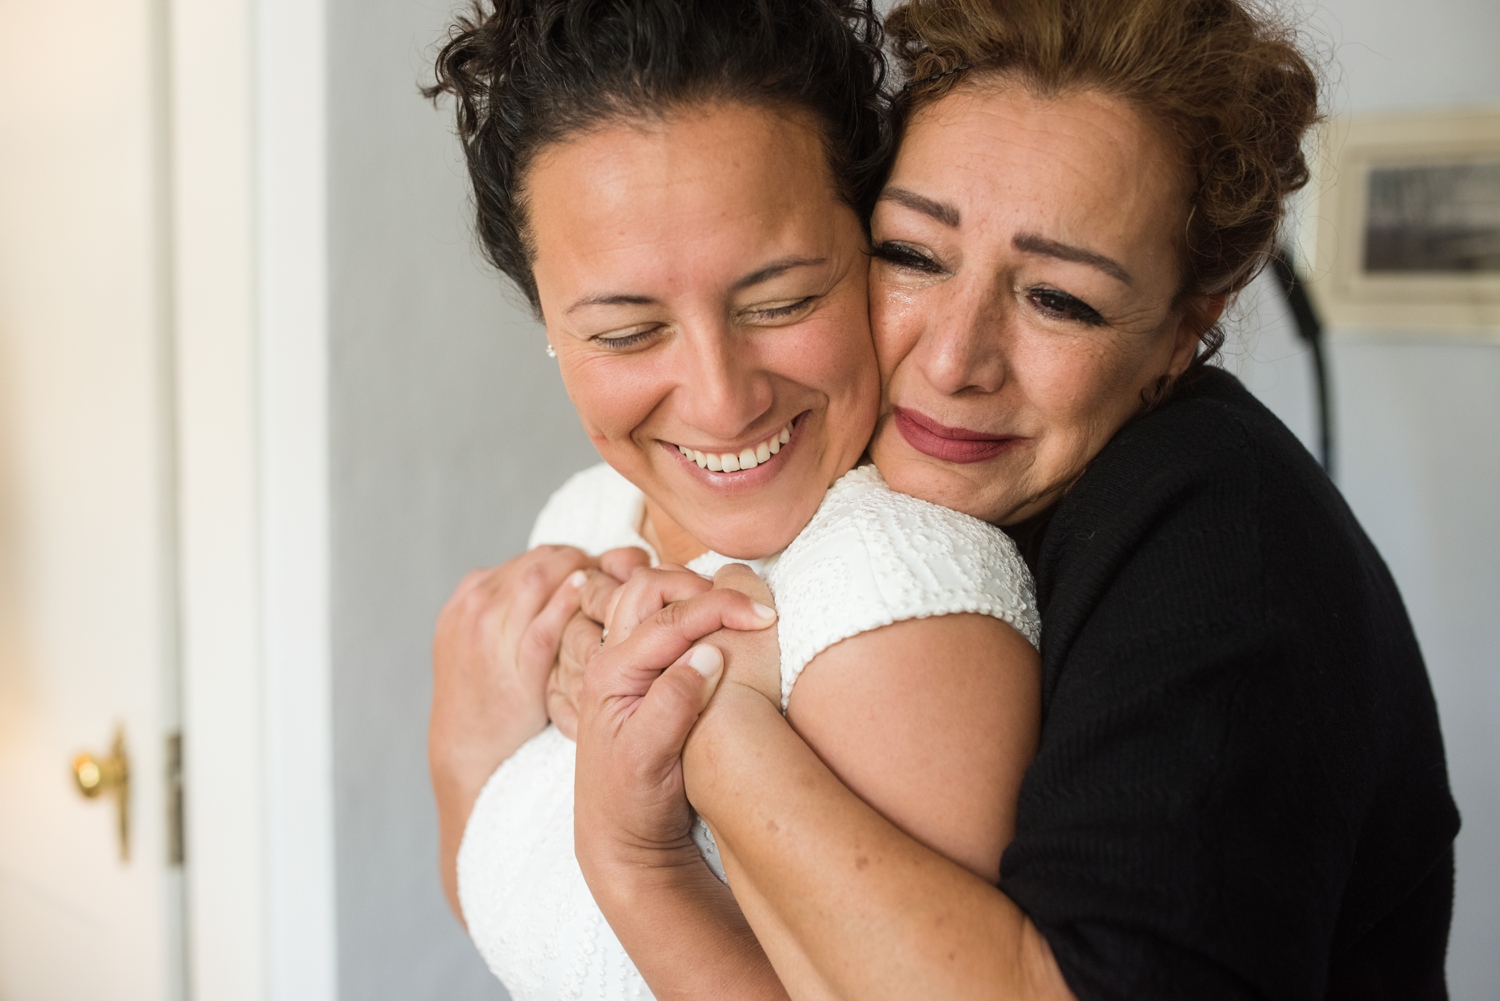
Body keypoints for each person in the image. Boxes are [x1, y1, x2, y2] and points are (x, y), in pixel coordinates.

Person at [551, 0, 1462, 999]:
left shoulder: (1223, 544)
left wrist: (703, 714)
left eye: (1059, 300)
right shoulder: (869, 492)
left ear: (1184, 328)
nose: (952, 359)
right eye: (912, 255)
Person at [424, 2, 1046, 998]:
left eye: (782, 302)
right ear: (545, 315)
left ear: (871, 244)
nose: (723, 401)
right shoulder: (586, 516)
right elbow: (536, 928)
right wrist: (463, 756)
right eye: (627, 332)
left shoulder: (891, 595)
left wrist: (642, 855)